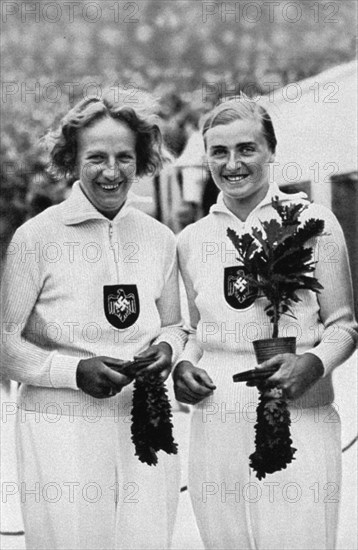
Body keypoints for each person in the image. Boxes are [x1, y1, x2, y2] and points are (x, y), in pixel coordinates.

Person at [1, 93, 186, 550]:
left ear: (141, 159)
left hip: (143, 420)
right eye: (96, 157)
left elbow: (174, 326)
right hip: (60, 427)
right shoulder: (36, 237)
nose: (111, 171)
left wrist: (167, 349)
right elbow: (6, 342)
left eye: (125, 157)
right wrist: (72, 371)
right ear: (72, 159)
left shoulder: (159, 237)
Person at [173, 95, 358, 550]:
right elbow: (193, 332)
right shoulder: (191, 239)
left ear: (271, 151)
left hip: (300, 411)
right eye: (219, 152)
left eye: (246, 149)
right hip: (216, 417)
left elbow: (344, 325)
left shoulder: (315, 222)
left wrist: (312, 364)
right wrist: (182, 365)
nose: (232, 164)